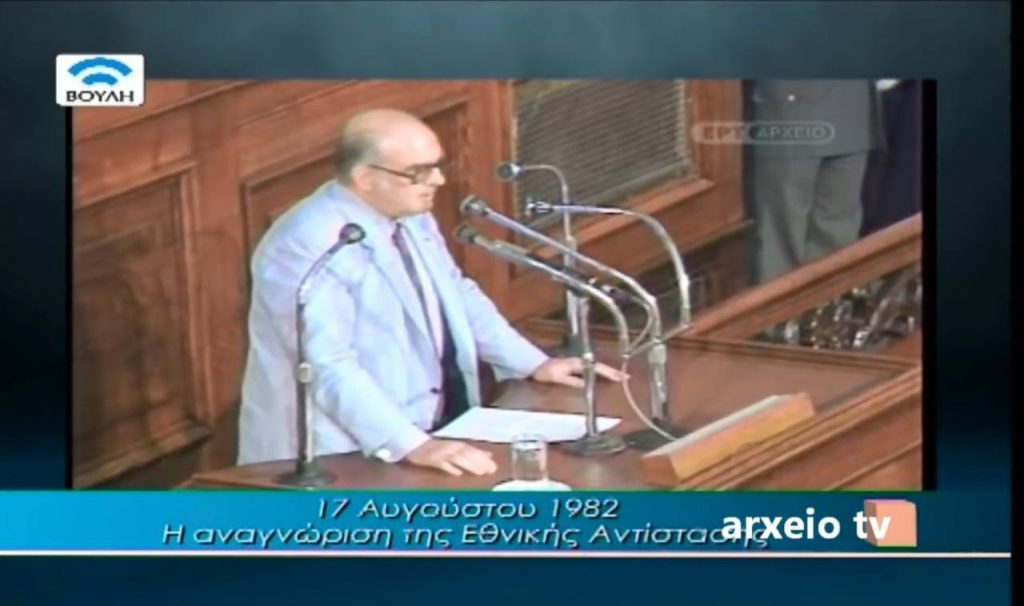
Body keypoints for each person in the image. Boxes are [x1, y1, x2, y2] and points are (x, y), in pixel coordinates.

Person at [238, 108, 625, 477]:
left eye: (438, 165)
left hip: (427, 425)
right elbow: (327, 364)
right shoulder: (306, 242)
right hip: (338, 453)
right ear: (365, 177)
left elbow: (456, 294)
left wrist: (533, 363)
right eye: (418, 172)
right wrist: (411, 445)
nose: (438, 180)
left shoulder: (411, 214)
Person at [745, 80, 885, 282]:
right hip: (794, 111)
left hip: (849, 107)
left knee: (835, 240)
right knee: (784, 245)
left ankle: (826, 299)